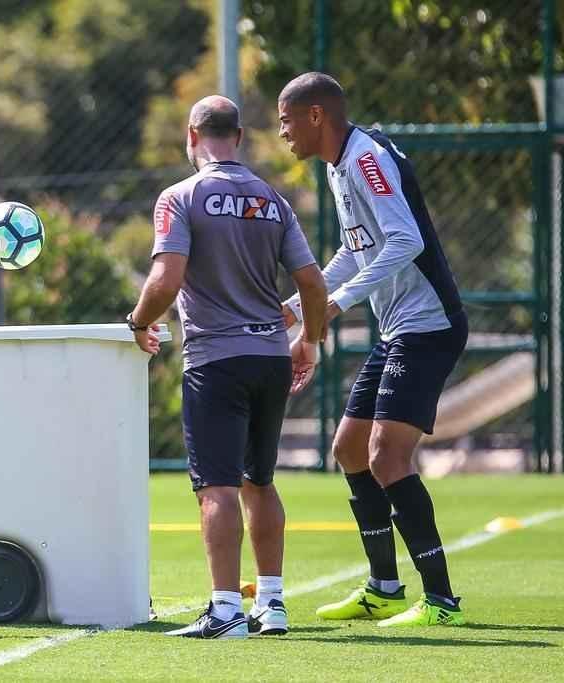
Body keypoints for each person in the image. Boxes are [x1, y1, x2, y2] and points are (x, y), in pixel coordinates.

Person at [129, 95, 327, 639]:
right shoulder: (273, 200)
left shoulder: (180, 197)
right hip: (269, 359)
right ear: (238, 137)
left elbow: (166, 281)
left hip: (216, 360)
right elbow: (311, 282)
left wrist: (136, 321)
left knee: (215, 487)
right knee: (259, 482)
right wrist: (308, 341)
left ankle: (223, 610)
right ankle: (272, 604)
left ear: (191, 137)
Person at [277, 72, 468, 627]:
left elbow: (406, 239)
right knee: (350, 449)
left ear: (317, 115)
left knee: (387, 455)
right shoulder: (341, 166)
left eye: (288, 120)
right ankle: (383, 587)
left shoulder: (365, 159)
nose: (284, 132)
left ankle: (441, 601)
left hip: (427, 325)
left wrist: (333, 305)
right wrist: (297, 306)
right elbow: (358, 250)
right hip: (396, 329)